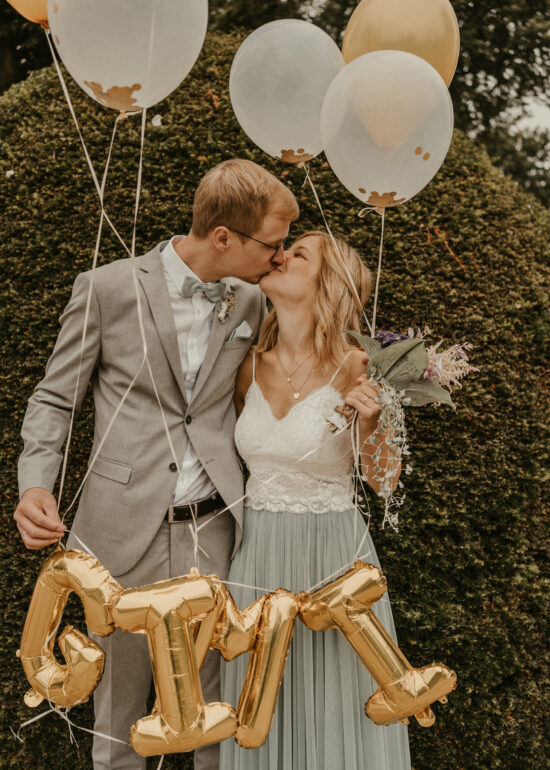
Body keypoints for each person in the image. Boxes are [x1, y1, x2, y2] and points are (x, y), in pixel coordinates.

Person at [14, 158, 299, 770]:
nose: (280, 259)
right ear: (223, 236)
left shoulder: (252, 302)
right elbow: (54, 397)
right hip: (121, 530)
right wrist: (35, 483)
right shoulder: (107, 287)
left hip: (219, 529)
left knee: (220, 711)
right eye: (273, 246)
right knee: (119, 715)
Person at [220, 231, 412, 769]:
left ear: (326, 284)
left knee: (338, 705)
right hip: (256, 559)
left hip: (335, 565)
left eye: (296, 253)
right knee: (263, 704)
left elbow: (385, 482)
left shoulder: (358, 366)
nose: (278, 255)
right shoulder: (245, 366)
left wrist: (371, 424)